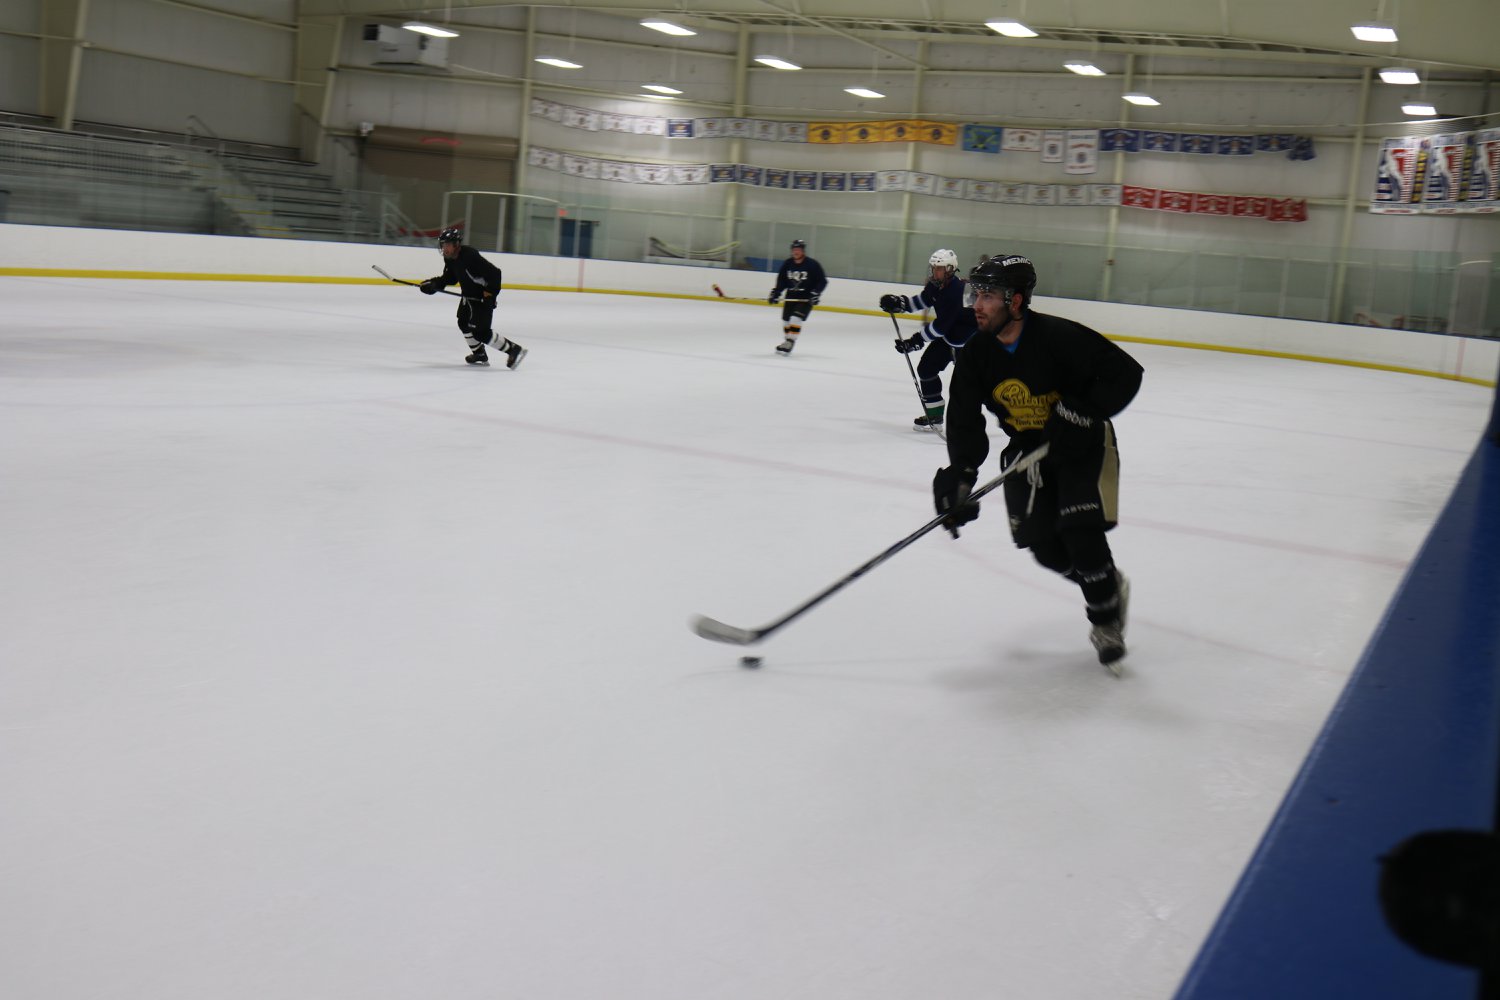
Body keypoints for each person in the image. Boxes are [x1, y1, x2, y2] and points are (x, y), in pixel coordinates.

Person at [931, 254, 1144, 671]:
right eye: (976, 293)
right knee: (1047, 550)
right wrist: (960, 475)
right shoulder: (976, 354)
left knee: (1080, 530)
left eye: (988, 295)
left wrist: (1082, 411)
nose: (976, 303)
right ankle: (1105, 581)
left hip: (1081, 444)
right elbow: (963, 421)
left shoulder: (1060, 337)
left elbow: (1125, 374)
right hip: (1029, 450)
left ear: (1016, 300)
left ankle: (1104, 620)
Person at [879, 248, 978, 431]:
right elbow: (923, 300)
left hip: (968, 343)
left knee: (971, 385)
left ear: (950, 269)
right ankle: (935, 418)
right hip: (949, 339)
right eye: (933, 268)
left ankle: (1004, 412)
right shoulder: (935, 286)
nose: (934, 272)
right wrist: (900, 304)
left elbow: (941, 326)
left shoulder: (958, 290)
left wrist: (915, 341)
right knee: (926, 369)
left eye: (939, 268)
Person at [420, 228, 527, 369]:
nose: (444, 248)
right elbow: (450, 277)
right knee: (463, 322)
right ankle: (479, 353)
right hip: (468, 296)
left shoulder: (470, 256)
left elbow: (495, 274)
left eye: (447, 244)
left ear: (456, 244)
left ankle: (514, 350)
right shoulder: (450, 258)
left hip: (482, 298)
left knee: (481, 332)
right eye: (443, 244)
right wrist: (434, 284)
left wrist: (489, 295)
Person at [767, 239, 828, 355]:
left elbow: (823, 281)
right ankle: (787, 341)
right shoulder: (787, 264)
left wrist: (816, 293)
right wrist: (776, 292)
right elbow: (782, 281)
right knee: (786, 321)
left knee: (795, 318)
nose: (796, 252)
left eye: (798, 250)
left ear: (803, 251)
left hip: (806, 298)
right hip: (791, 296)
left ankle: (790, 341)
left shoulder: (812, 264)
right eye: (794, 250)